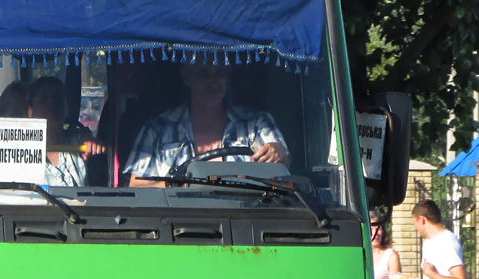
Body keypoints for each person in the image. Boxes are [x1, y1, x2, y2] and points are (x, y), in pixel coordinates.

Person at [123, 59, 289, 186]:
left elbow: (284, 168)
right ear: (186, 77)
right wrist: (176, 185)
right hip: (178, 225)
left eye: (219, 73)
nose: (213, 81)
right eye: (204, 73)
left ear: (228, 75)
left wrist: (279, 154)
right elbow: (137, 186)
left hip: (246, 222)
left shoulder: (256, 123)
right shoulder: (157, 129)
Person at [25, 76, 105, 187]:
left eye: (57, 98)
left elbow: (83, 138)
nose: (51, 102)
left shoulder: (77, 143)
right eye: (43, 98)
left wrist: (91, 143)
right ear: (30, 110)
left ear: (67, 110)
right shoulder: (20, 149)